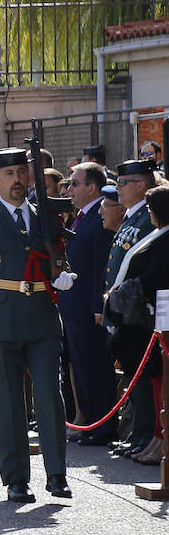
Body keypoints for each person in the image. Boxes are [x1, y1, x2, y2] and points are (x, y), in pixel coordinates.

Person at [0, 147, 73, 503]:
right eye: (9, 175)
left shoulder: (44, 216)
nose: (18, 180)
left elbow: (56, 259)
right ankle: (16, 478)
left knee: (49, 397)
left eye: (22, 172)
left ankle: (56, 474)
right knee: (7, 402)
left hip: (40, 317)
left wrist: (61, 276)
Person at [59, 162, 116, 445]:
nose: (68, 189)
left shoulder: (99, 216)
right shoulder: (81, 216)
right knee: (80, 367)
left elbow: (100, 268)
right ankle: (90, 422)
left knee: (95, 367)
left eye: (74, 184)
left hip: (88, 308)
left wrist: (98, 307)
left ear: (91, 187)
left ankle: (102, 425)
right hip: (72, 305)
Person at [104, 157, 157, 459]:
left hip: (137, 308)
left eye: (122, 183)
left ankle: (146, 434)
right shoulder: (131, 217)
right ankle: (138, 433)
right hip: (124, 306)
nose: (117, 189)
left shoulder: (146, 219)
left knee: (142, 375)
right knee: (133, 375)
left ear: (141, 185)